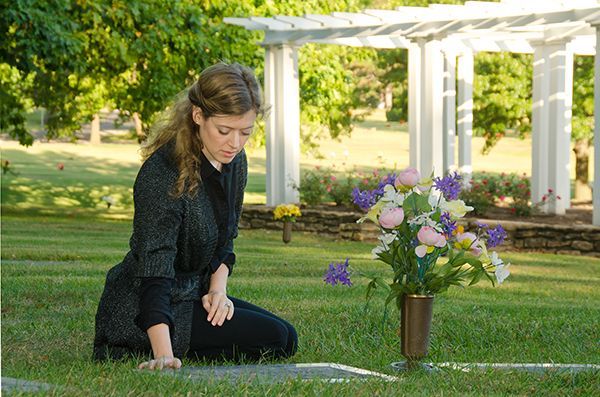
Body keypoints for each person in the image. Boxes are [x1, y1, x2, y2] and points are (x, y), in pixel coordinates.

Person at [93, 62, 298, 370]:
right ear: (198, 116)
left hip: (195, 294)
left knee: (287, 337)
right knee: (274, 338)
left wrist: (218, 290)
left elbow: (225, 240)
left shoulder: (235, 161)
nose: (236, 143)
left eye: (246, 132)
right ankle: (130, 344)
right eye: (224, 131)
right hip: (145, 308)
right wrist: (163, 355)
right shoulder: (162, 173)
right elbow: (154, 269)